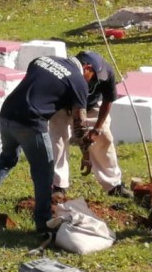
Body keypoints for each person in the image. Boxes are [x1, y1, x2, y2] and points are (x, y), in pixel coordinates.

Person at [0, 56, 88, 235]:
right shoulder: (78, 80)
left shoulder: (42, 60)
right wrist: (86, 152)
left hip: (7, 113)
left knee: (7, 158)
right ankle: (43, 223)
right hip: (31, 122)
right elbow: (80, 120)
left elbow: (40, 84)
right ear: (84, 69)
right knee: (44, 172)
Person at [49, 51, 133, 199]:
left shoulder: (107, 72)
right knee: (58, 139)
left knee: (104, 138)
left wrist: (97, 129)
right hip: (64, 106)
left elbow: (108, 101)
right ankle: (58, 185)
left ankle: (113, 184)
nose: (95, 78)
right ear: (86, 68)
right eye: (92, 74)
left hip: (90, 106)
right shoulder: (66, 71)